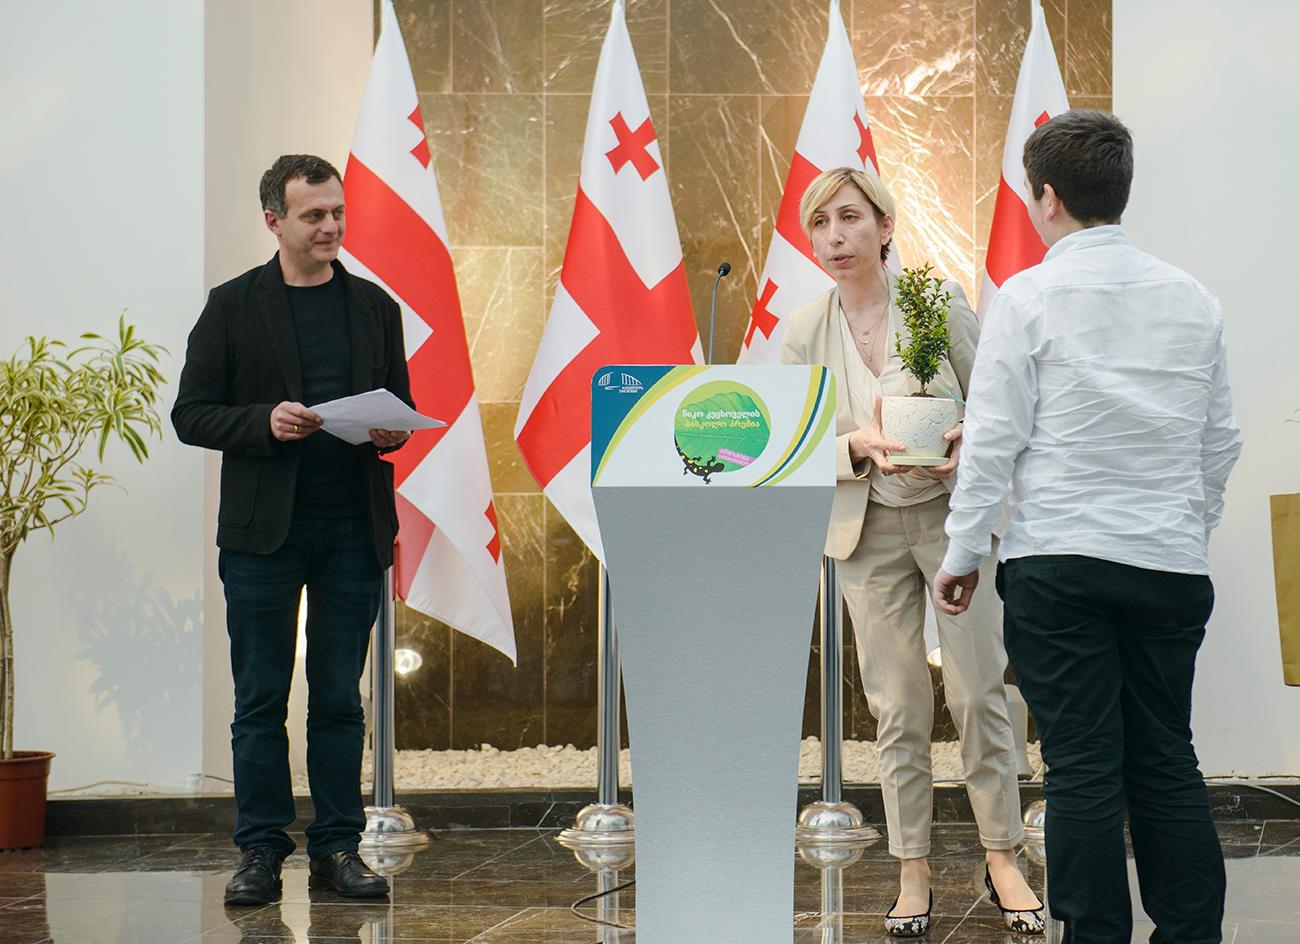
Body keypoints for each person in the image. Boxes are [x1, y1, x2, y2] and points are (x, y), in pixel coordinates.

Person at [935, 110, 1241, 943]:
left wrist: (962, 553)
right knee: (1166, 756)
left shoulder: (1027, 297)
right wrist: (1185, 530)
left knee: (1082, 765)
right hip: (1169, 565)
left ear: (1047, 197)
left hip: (1059, 563)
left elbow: (993, 440)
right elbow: (1220, 443)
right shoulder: (1193, 299)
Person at [781, 167, 1043, 937]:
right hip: (864, 531)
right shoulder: (803, 332)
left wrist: (963, 443)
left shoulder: (937, 301)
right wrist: (852, 447)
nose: (836, 236)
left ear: (886, 226)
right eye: (820, 222)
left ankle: (1002, 856)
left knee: (977, 692)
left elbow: (995, 405)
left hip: (954, 522)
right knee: (896, 706)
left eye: (850, 217)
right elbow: (792, 445)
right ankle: (912, 869)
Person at [173, 154, 415, 905]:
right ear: (274, 220)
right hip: (262, 536)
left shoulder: (375, 308)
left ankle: (338, 848)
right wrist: (262, 421)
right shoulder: (231, 305)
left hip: (351, 529)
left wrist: (391, 433)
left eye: (337, 212)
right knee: (259, 700)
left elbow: (399, 409)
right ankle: (260, 852)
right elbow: (190, 414)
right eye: (314, 215)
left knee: (339, 698)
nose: (330, 226)